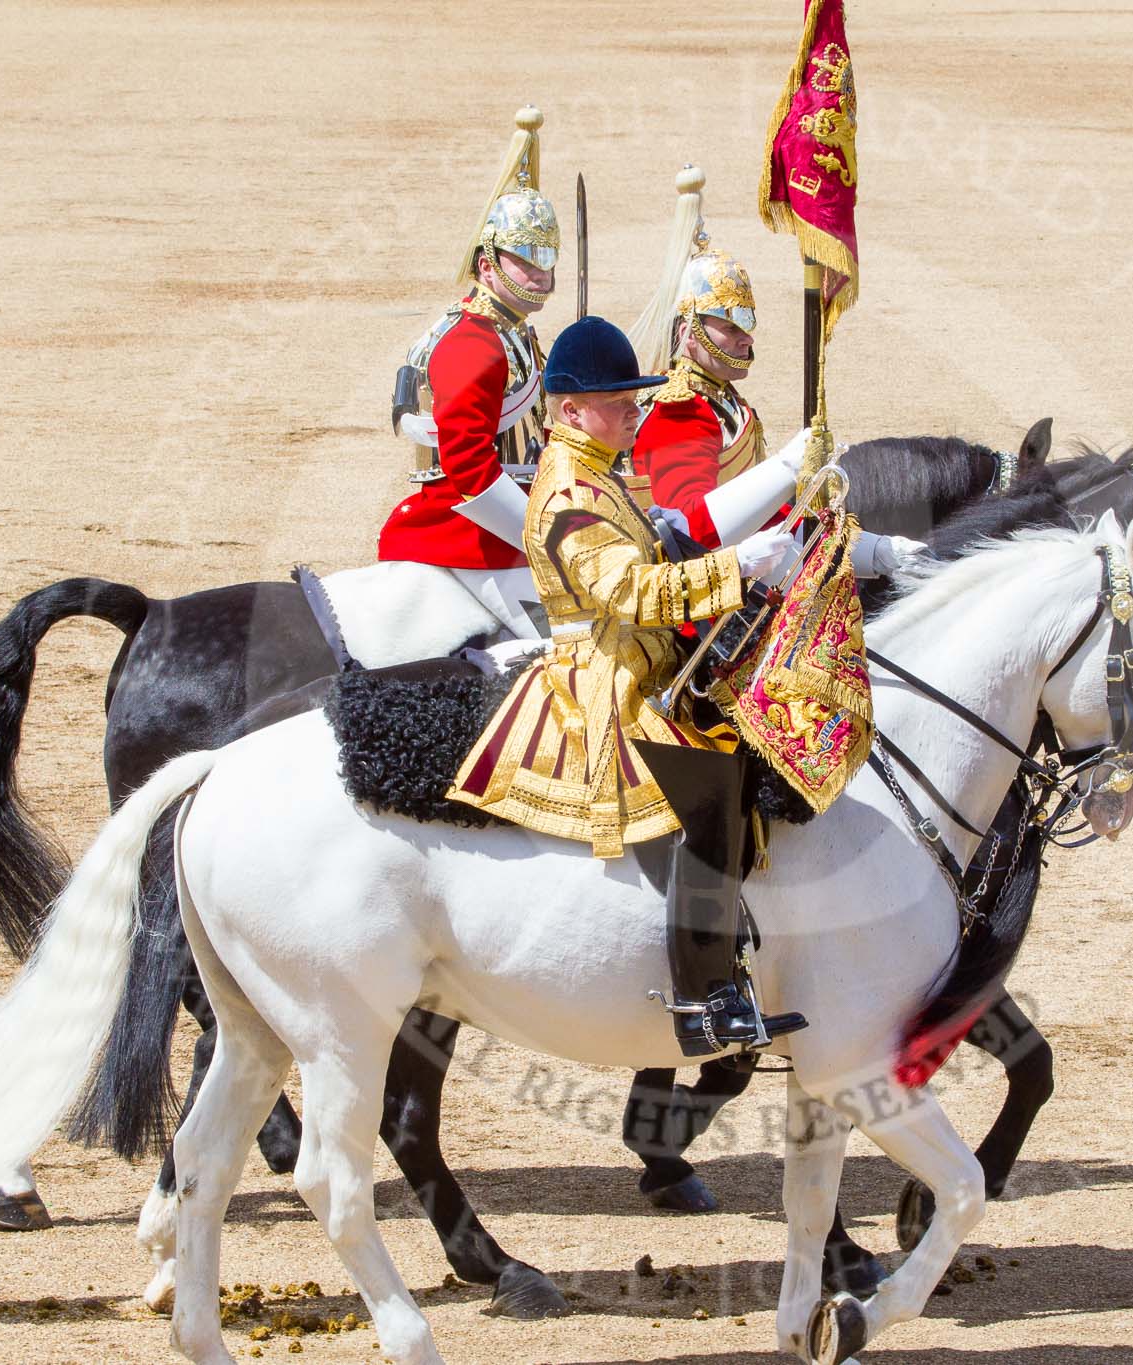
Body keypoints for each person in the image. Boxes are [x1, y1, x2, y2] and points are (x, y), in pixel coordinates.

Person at [448, 316, 808, 1055]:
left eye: (634, 401)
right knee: (707, 787)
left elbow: (648, 549)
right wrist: (735, 569)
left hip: (640, 658)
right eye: (620, 403)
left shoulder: (600, 468)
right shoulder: (568, 491)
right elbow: (628, 593)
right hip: (604, 677)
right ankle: (701, 995)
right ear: (570, 410)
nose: (635, 413)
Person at [375, 106, 559, 640]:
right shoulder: (474, 343)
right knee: (572, 643)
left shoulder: (511, 329)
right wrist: (544, 536)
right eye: (525, 259)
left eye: (546, 259)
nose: (540, 274)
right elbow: (468, 469)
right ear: (487, 264)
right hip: (469, 532)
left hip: (504, 513)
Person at [625, 165, 802, 551]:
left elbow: (759, 510)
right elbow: (690, 531)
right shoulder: (680, 413)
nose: (747, 337)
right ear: (689, 332)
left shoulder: (721, 400)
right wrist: (788, 469)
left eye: (746, 323)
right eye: (731, 326)